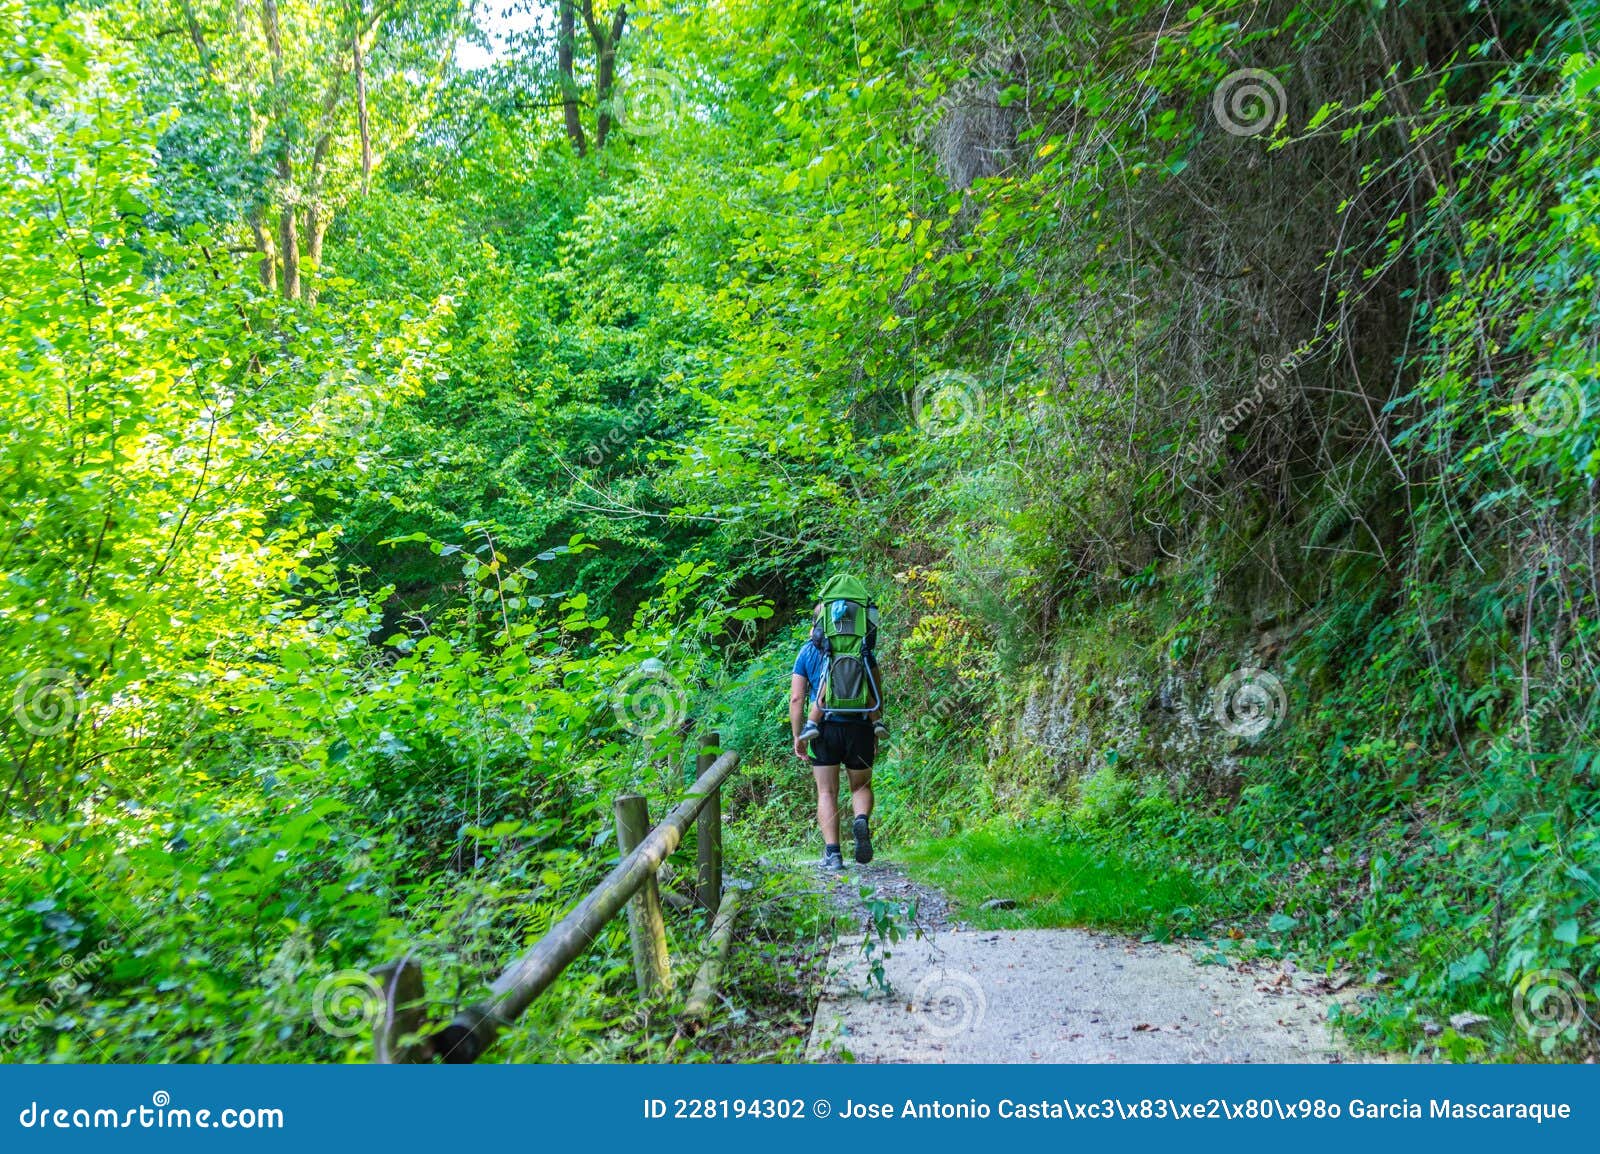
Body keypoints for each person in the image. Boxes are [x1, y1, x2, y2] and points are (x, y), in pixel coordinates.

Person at [791, 625, 884, 870]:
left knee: (826, 792)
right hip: (861, 724)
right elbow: (876, 691)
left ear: (817, 624)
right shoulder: (862, 648)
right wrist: (875, 730)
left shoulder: (808, 651)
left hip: (823, 728)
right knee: (861, 785)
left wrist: (798, 735)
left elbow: (797, 698)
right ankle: (861, 820)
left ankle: (833, 854)